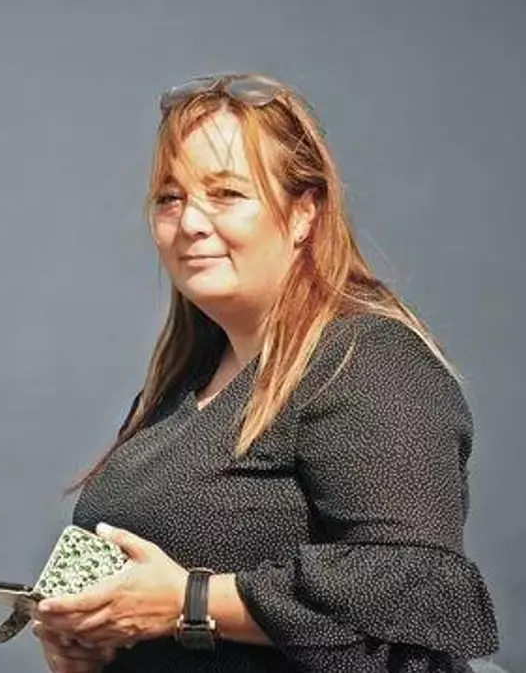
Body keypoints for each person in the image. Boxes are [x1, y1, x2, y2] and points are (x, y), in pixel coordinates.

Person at [28, 72, 500, 673]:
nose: (190, 222)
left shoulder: (365, 361)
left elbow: (417, 588)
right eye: (171, 197)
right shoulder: (184, 382)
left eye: (225, 193)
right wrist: (94, 643)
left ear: (305, 211)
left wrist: (190, 602)